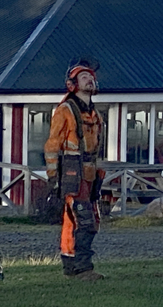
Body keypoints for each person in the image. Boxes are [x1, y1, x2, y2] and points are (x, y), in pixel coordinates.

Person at [44, 57, 106, 281]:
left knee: (76, 220)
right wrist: (53, 177)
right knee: (84, 220)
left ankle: (70, 264)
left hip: (90, 173)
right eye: (83, 77)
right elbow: (52, 146)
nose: (89, 80)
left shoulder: (95, 114)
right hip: (72, 172)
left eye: (91, 77)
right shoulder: (65, 111)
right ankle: (83, 268)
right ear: (72, 84)